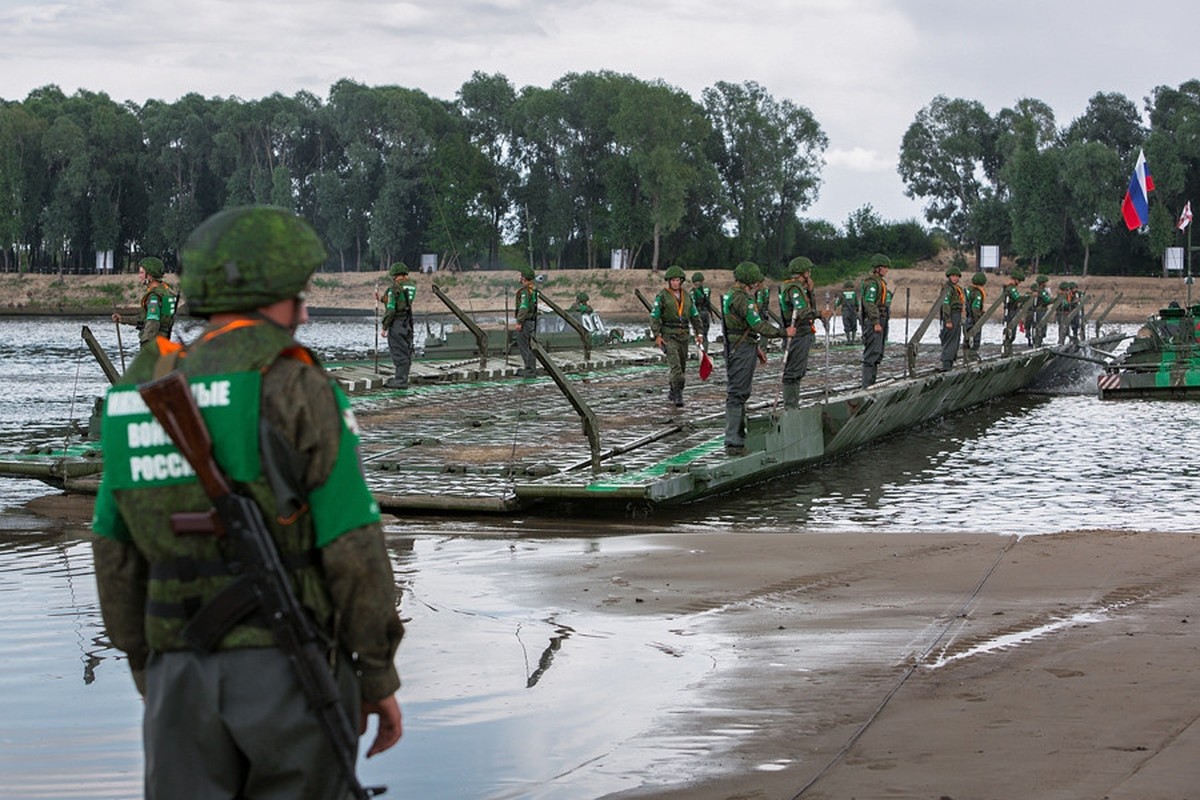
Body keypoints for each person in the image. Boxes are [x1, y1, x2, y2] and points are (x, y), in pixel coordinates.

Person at [89, 205, 404, 799]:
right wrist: (376, 671)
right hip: (289, 668)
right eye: (297, 295)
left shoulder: (135, 390)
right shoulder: (297, 386)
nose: (305, 310)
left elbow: (112, 547)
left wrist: (146, 666)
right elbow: (353, 543)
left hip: (175, 674)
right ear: (271, 299)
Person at [722, 261, 794, 451]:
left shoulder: (733, 295)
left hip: (741, 345)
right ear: (750, 282)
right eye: (756, 282)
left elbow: (743, 326)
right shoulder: (743, 299)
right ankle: (733, 438)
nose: (758, 286)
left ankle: (738, 434)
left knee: (740, 390)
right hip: (741, 347)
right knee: (738, 391)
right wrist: (784, 332)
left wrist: (756, 348)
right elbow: (757, 325)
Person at [651, 265, 705, 408]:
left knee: (681, 367)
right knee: (676, 369)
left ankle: (672, 389)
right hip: (669, 336)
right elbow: (654, 317)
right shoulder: (662, 296)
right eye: (673, 280)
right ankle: (678, 394)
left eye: (678, 280)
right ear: (669, 281)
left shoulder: (687, 297)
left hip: (684, 336)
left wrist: (699, 333)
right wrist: (657, 335)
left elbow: (694, 316)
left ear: (681, 281)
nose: (675, 283)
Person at [779, 257, 828, 407]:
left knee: (798, 372)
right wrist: (820, 313)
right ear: (804, 273)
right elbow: (802, 312)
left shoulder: (800, 288)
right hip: (798, 334)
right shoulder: (794, 288)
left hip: (803, 333)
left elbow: (808, 308)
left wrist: (811, 291)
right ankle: (790, 407)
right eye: (808, 271)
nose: (810, 274)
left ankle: (794, 404)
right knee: (793, 373)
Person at [113, 256, 178, 349]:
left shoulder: (154, 297)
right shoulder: (166, 292)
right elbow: (144, 319)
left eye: (142, 273)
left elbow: (153, 322)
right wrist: (122, 319)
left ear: (150, 275)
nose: (140, 276)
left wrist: (146, 344)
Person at [379, 261, 416, 389]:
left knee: (398, 351)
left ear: (398, 276)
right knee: (406, 350)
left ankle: (400, 381)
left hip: (396, 324)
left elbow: (391, 310)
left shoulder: (392, 289)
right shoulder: (411, 286)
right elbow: (402, 301)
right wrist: (381, 298)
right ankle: (402, 378)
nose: (393, 279)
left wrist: (384, 327)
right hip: (407, 322)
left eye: (393, 276)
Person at [859, 253, 891, 388]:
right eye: (884, 267)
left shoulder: (880, 282)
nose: (886, 270)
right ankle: (867, 385)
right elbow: (869, 303)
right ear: (877, 268)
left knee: (877, 353)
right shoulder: (872, 283)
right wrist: (876, 322)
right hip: (874, 321)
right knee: (872, 354)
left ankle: (872, 383)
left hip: (881, 319)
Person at [938, 265, 966, 371]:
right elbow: (945, 305)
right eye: (952, 276)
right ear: (949, 277)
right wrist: (948, 320)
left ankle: (950, 362)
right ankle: (946, 364)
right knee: (950, 339)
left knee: (955, 339)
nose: (954, 278)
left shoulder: (956, 289)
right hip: (951, 316)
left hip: (957, 316)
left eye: (956, 276)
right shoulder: (948, 289)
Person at [513, 265, 539, 377]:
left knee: (524, 345)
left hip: (526, 322)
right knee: (529, 345)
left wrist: (519, 322)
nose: (519, 278)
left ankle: (529, 370)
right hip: (531, 321)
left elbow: (523, 307)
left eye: (521, 276)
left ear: (524, 278)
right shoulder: (532, 290)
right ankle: (530, 368)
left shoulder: (524, 292)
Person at [963, 271, 987, 360]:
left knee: (967, 340)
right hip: (973, 320)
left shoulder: (968, 290)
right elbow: (975, 308)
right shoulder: (977, 293)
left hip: (967, 318)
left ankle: (967, 358)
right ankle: (972, 358)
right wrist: (978, 322)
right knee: (974, 341)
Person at [1001, 268, 1026, 355]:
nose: (1019, 283)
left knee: (1010, 332)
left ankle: (1008, 350)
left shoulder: (1010, 287)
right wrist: (1027, 297)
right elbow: (1017, 298)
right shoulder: (1011, 288)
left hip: (1012, 310)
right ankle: (1007, 351)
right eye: (1019, 281)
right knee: (1010, 332)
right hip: (1011, 311)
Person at [1030, 274, 1052, 345]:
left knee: (1042, 327)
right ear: (1042, 283)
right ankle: (1037, 341)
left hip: (1042, 310)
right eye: (1046, 282)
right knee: (1040, 326)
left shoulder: (1043, 290)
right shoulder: (1040, 291)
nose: (1047, 283)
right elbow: (1047, 300)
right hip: (1040, 311)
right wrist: (1056, 300)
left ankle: (1039, 340)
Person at [690, 272, 712, 341]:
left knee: (698, 334)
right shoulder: (707, 290)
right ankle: (705, 349)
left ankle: (700, 350)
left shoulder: (693, 292)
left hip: (698, 314)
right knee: (705, 334)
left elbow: (692, 305)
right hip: (706, 313)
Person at [834, 280, 858, 344]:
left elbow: (837, 304)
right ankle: (853, 340)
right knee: (854, 325)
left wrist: (836, 300)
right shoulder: (854, 294)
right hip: (853, 311)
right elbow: (857, 303)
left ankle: (848, 340)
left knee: (846, 325)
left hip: (845, 311)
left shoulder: (842, 295)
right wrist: (857, 310)